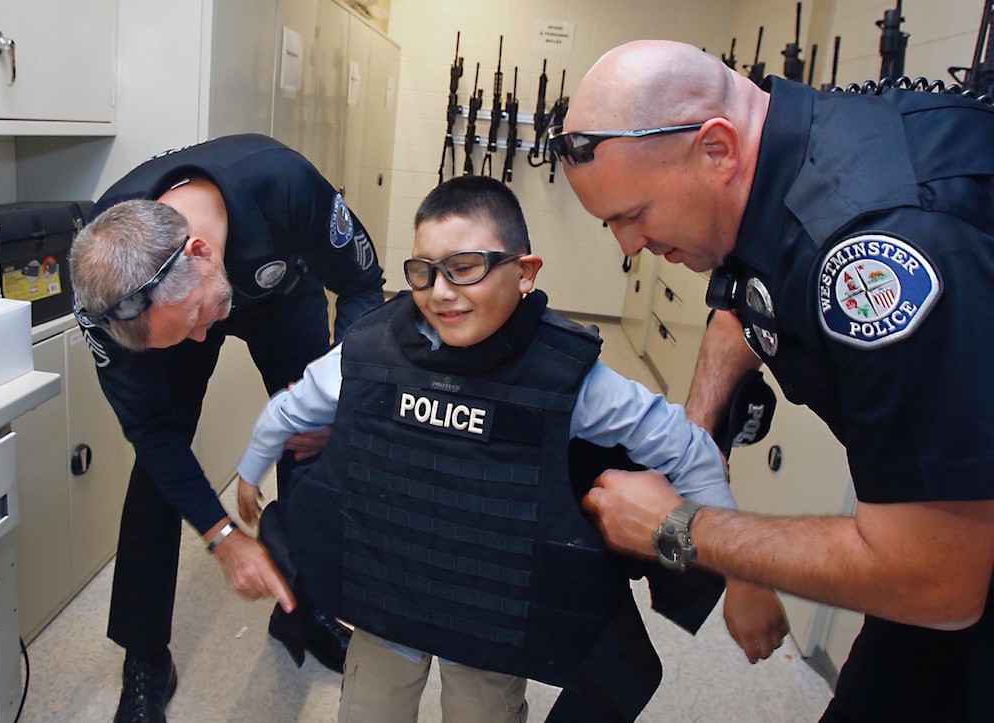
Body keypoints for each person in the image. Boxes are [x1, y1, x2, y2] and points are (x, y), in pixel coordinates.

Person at [236, 175, 788, 722]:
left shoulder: (568, 379)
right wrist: (249, 472)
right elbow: (291, 407)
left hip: (492, 619)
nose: (441, 291)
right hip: (390, 600)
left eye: (466, 267)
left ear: (524, 272)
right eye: (423, 272)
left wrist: (744, 574)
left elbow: (687, 450)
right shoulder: (372, 350)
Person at [557, 39, 994, 722]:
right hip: (942, 529)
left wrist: (680, 525)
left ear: (716, 149)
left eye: (633, 214)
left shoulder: (873, 249)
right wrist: (690, 440)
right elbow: (748, 306)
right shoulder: (779, 163)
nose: (628, 246)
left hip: (956, 555)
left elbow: (941, 579)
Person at [68, 134, 384, 723]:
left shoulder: (286, 184)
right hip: (175, 304)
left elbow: (365, 285)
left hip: (280, 291)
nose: (199, 342)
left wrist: (335, 393)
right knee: (158, 472)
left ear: (201, 251)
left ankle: (305, 604)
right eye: (182, 333)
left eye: (196, 324)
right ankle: (145, 658)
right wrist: (222, 535)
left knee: (310, 440)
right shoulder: (105, 286)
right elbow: (153, 430)